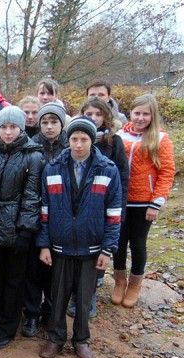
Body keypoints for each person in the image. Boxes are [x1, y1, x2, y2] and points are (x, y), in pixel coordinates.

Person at [38, 116, 122, 358]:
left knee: (83, 299)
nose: (78, 144)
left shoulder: (107, 169)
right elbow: (44, 210)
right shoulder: (53, 167)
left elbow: (114, 213)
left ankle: (81, 340)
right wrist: (44, 244)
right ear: (68, 139)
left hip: (91, 247)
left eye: (83, 139)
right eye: (74, 139)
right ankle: (55, 338)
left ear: (91, 140)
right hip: (60, 246)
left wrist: (108, 249)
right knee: (58, 296)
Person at [0, 106, 44, 348]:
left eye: (13, 127)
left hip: (16, 227)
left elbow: (32, 196)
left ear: (21, 128)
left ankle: (7, 326)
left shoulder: (33, 156)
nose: (8, 132)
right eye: (4, 127)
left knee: (14, 280)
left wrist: (25, 230)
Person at [65, 97, 130, 317]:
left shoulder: (114, 143)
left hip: (102, 204)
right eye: (88, 114)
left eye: (98, 114)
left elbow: (122, 177)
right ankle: (74, 296)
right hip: (78, 207)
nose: (93, 118)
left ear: (106, 117)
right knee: (76, 257)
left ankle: (88, 297)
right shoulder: (75, 139)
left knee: (95, 259)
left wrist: (118, 210)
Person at [112, 94, 176, 308]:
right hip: (121, 200)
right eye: (137, 113)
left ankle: (135, 284)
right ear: (130, 113)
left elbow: (167, 171)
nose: (140, 118)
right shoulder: (121, 134)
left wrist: (156, 202)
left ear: (152, 115)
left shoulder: (160, 139)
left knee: (138, 243)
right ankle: (119, 281)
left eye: (145, 114)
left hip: (143, 202)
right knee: (118, 243)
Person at [22, 102, 69, 337]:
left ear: (62, 123)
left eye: (54, 122)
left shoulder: (71, 146)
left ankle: (51, 310)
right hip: (34, 214)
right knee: (33, 269)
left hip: (61, 216)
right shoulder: (31, 147)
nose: (49, 127)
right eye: (45, 122)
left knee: (55, 269)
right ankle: (31, 313)